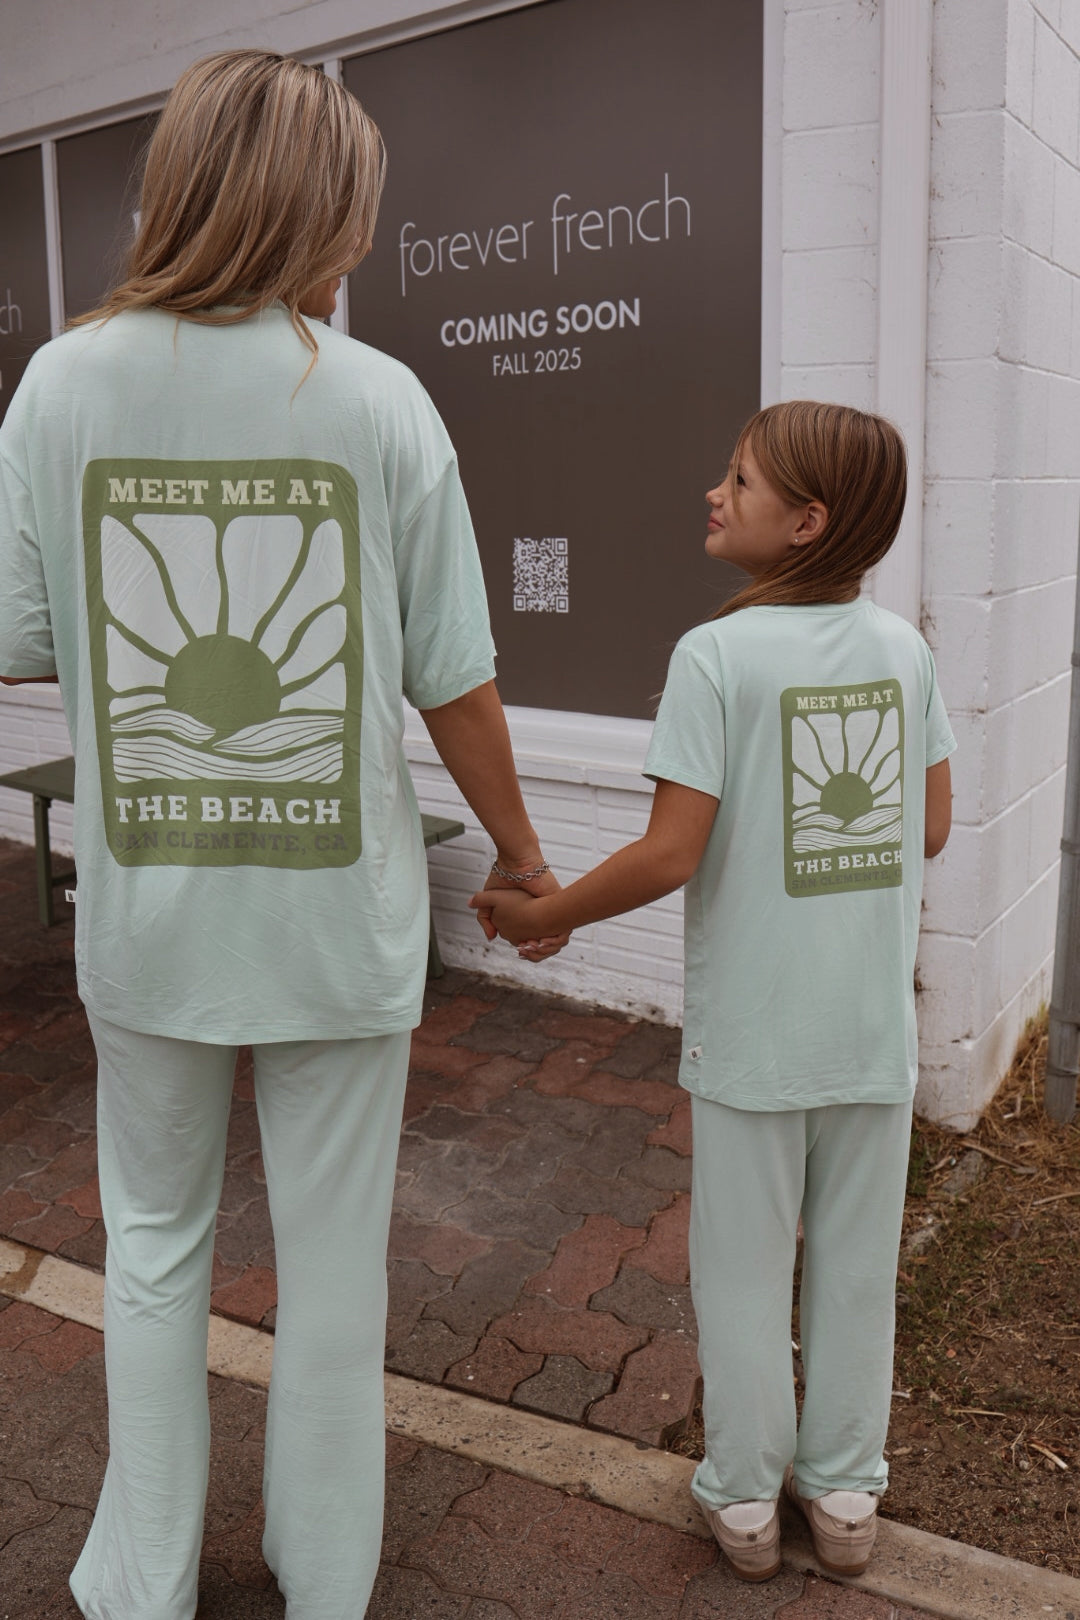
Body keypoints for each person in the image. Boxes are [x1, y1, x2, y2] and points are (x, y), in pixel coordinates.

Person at [0, 49, 564, 1620]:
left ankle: (143, 1582)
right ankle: (325, 1582)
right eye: (359, 209)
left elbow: (22, 640)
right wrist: (524, 861)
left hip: (151, 918)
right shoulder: (379, 400)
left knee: (151, 1248)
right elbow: (455, 678)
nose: (364, 240)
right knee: (333, 1271)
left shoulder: (60, 384)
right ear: (318, 209)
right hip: (336, 923)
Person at [473, 400, 955, 1582]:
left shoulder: (716, 657)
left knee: (743, 1271)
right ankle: (845, 1495)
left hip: (754, 1038)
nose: (714, 492)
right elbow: (932, 826)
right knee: (855, 1269)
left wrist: (545, 912)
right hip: (868, 1030)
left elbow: (671, 852)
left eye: (739, 480)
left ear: (806, 521)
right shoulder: (904, 651)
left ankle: (743, 1501)